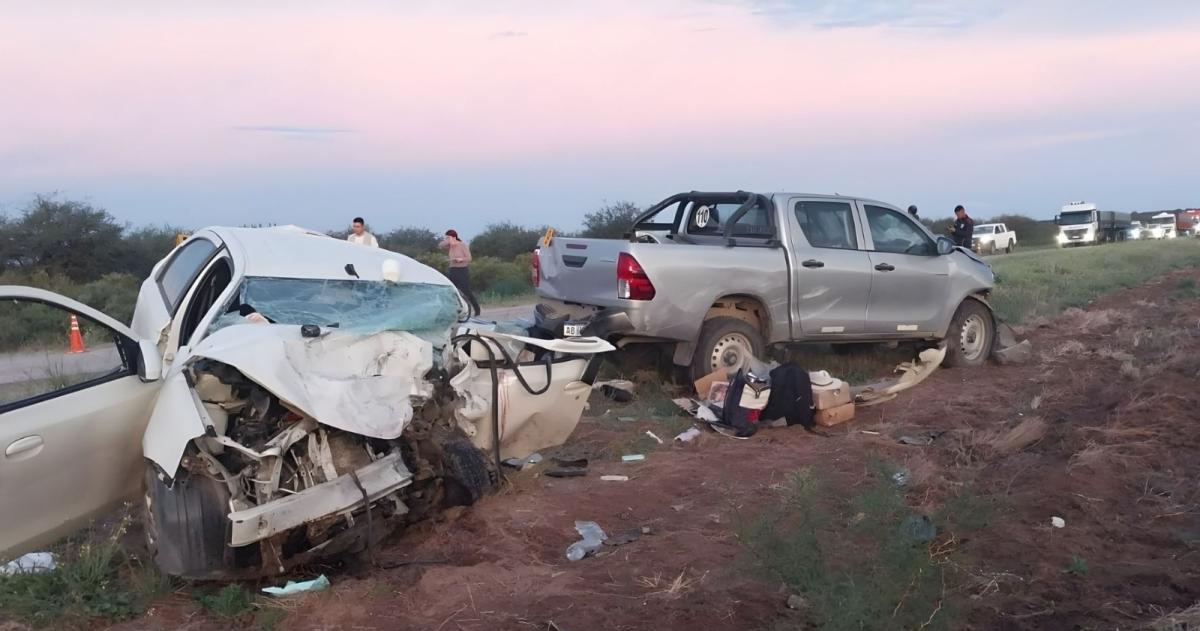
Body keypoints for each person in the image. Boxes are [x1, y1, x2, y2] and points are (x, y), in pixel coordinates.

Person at [439, 229, 481, 317]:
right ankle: (455, 310)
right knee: (451, 289)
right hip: (452, 269)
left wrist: (461, 259)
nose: (447, 239)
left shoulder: (462, 245)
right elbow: (440, 246)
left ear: (454, 237)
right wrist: (447, 241)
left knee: (465, 290)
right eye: (446, 238)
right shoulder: (450, 246)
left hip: (462, 270)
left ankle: (476, 309)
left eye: (449, 237)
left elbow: (469, 258)